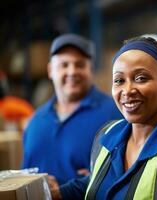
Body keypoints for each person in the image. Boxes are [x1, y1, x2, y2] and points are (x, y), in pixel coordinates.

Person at [53, 36, 157, 199]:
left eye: (141, 78)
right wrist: (56, 192)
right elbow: (100, 182)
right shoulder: (106, 135)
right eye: (119, 80)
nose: (128, 90)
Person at [22, 33, 122, 186]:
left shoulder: (114, 114)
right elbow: (24, 177)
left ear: (91, 70)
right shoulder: (36, 121)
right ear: (50, 70)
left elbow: (124, 175)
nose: (72, 71)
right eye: (64, 65)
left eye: (80, 64)